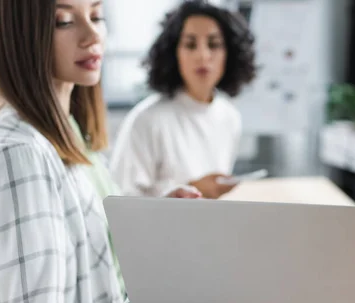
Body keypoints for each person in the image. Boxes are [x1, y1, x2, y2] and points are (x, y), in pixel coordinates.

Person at [0, 1, 235, 303]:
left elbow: (89, 246)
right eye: (63, 20)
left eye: (96, 15)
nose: (92, 35)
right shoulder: (18, 157)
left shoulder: (68, 128)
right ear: (17, 33)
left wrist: (153, 216)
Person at [109, 0, 257, 199]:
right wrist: (188, 191)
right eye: (190, 44)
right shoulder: (147, 119)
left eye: (214, 45)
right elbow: (121, 202)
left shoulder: (229, 117)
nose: (203, 55)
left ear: (229, 54)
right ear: (174, 53)